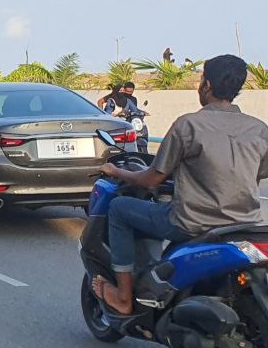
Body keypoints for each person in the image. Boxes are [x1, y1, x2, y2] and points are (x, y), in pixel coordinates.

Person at [92, 55, 268, 315]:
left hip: (190, 222)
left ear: (207, 85)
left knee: (119, 208)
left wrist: (116, 170)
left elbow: (152, 179)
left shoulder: (189, 125)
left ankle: (123, 297)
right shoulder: (259, 129)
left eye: (200, 79)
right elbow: (256, 173)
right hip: (245, 224)